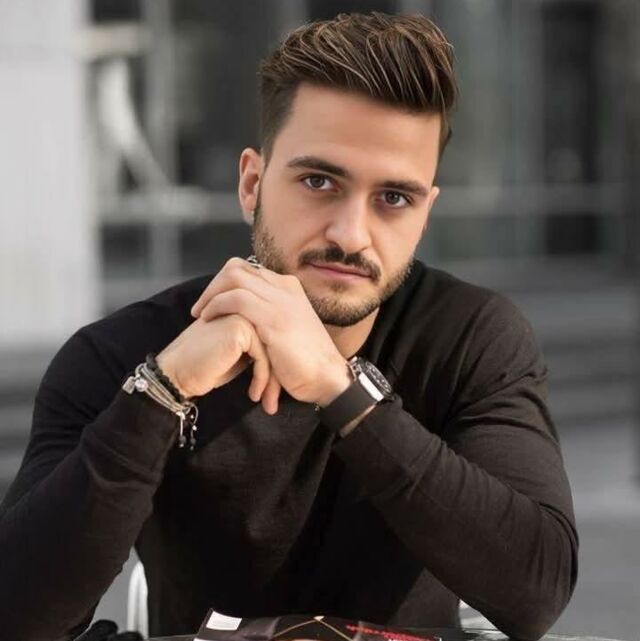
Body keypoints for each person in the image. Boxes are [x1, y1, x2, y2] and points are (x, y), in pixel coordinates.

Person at [0, 12, 578, 641]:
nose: (350, 235)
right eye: (319, 181)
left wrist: (342, 390)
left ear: (425, 211)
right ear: (252, 183)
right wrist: (162, 392)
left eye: (393, 198)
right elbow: (18, 615)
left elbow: (536, 593)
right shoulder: (124, 354)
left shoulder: (471, 338)